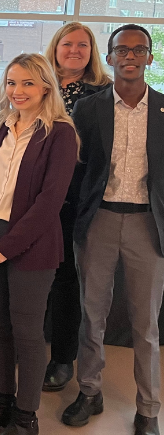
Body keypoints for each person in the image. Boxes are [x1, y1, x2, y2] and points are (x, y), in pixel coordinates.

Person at [0, 53, 78, 435]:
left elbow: (50, 202)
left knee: (27, 331)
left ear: (46, 85)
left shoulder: (60, 132)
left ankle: (26, 417)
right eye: (12, 83)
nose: (17, 91)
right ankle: (2, 403)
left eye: (28, 83)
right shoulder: (3, 128)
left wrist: (4, 248)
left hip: (33, 245)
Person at [63, 25, 164, 435]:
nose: (130, 56)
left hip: (148, 225)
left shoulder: (162, 110)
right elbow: (75, 170)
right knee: (93, 313)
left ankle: (149, 408)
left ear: (150, 58)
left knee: (146, 323)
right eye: (122, 50)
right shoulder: (88, 108)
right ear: (108, 58)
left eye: (139, 50)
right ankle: (90, 391)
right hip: (98, 220)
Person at [41, 22, 110, 392]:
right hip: (33, 197)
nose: (74, 50)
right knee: (33, 276)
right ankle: (30, 347)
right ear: (55, 48)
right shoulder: (40, 86)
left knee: (66, 280)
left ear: (91, 51)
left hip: (75, 199)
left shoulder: (103, 92)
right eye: (67, 44)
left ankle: (62, 358)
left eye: (82, 45)